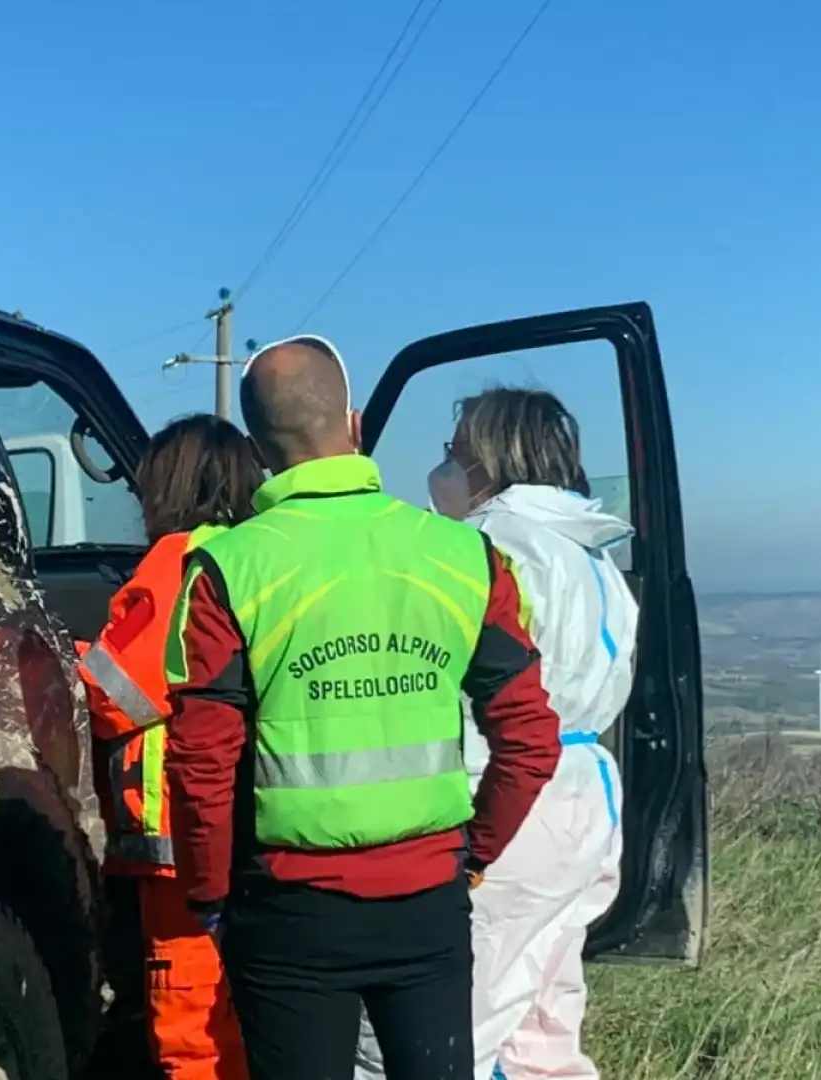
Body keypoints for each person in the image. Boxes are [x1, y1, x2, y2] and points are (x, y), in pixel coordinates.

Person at [163, 335, 564, 1080]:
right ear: (353, 425)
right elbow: (533, 737)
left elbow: (200, 764)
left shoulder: (226, 568)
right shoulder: (466, 557)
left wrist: (208, 897)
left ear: (256, 448)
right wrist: (472, 854)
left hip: (288, 909)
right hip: (429, 901)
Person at [355, 387, 638, 1080]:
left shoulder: (490, 548)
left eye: (455, 451)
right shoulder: (592, 554)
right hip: (585, 799)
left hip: (507, 794)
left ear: (489, 460)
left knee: (441, 1029)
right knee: (544, 1022)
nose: (444, 466)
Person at [74, 413, 261, 1080]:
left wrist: (60, 663)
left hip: (177, 838)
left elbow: (120, 694)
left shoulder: (175, 561)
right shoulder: (253, 554)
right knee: (242, 1012)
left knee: (190, 1027)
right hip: (250, 824)